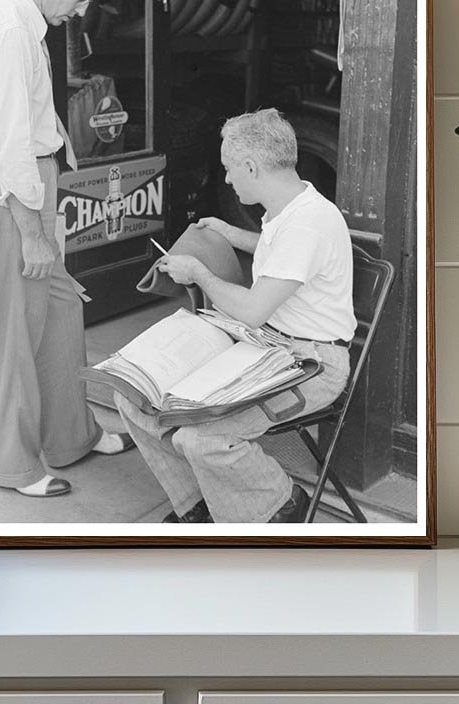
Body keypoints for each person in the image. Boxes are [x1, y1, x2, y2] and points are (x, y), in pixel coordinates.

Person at [115, 108, 356, 523]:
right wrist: (229, 233)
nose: (226, 179)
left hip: (312, 363)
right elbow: (278, 251)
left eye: (229, 169)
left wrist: (199, 273)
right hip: (269, 346)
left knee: (200, 437)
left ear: (251, 166)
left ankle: (279, 504)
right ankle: (199, 505)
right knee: (134, 396)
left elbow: (251, 308)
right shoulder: (293, 205)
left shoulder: (307, 225)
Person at [0, 0, 133, 499]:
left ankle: (71, 437)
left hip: (29, 182)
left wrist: (61, 148)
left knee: (60, 311)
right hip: (9, 194)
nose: (83, 12)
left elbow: (26, 118)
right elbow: (8, 146)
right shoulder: (12, 31)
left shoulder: (21, 22)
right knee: (12, 331)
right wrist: (33, 234)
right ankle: (12, 465)